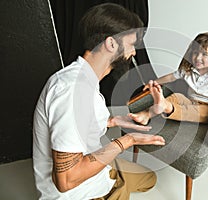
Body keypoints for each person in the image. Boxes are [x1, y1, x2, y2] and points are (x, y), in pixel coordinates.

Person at [32, 3, 165, 200]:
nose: (134, 53)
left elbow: (79, 122)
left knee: (149, 179)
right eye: (130, 45)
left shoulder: (86, 77)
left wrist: (110, 121)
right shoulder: (73, 93)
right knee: (125, 189)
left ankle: (115, 180)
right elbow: (66, 180)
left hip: (99, 168)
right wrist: (127, 140)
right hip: (80, 193)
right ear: (111, 44)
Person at [128, 32, 208, 126]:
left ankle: (167, 107)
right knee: (176, 97)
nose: (198, 58)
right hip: (190, 101)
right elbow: (171, 77)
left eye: (204, 54)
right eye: (195, 53)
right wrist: (154, 82)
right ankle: (147, 115)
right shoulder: (188, 70)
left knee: (193, 112)